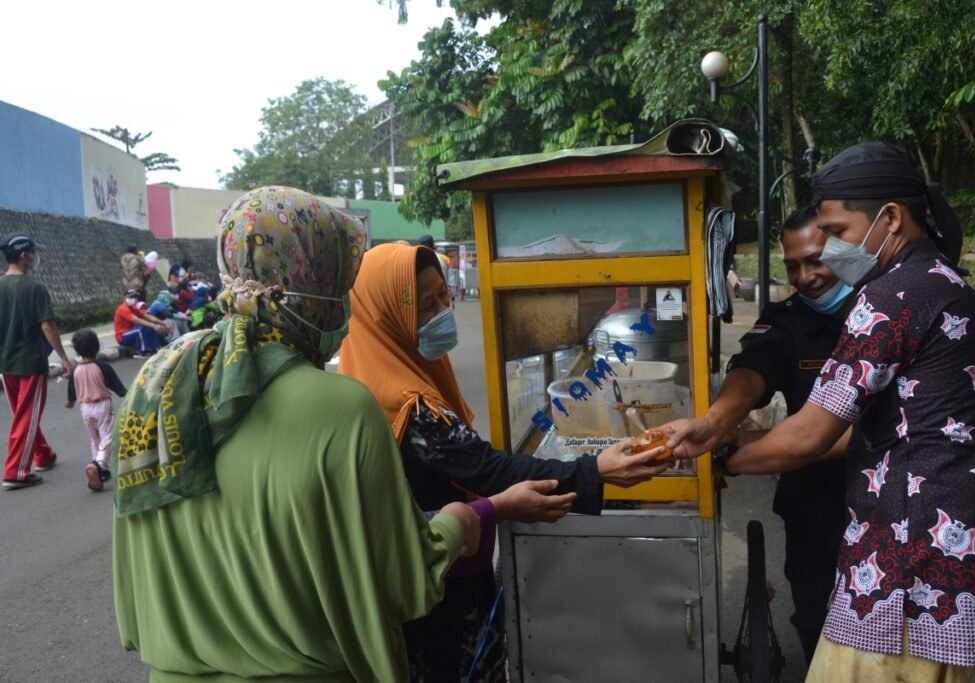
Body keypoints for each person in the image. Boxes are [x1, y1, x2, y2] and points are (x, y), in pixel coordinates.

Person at [114, 185, 521, 681]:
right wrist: (459, 522)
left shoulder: (156, 388)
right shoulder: (343, 410)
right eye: (340, 281)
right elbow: (403, 583)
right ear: (312, 283)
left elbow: (133, 600)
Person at [666, 142, 975, 681]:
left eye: (835, 232)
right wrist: (723, 431)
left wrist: (719, 456)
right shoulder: (956, 288)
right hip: (962, 556)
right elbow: (896, 428)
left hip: (909, 555)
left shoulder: (892, 294)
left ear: (891, 219)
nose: (827, 254)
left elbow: (811, 432)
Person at [339, 242, 671, 682]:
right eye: (426, 304)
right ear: (388, 315)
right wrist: (594, 471)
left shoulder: (388, 369)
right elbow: (487, 470)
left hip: (452, 564)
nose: (444, 309)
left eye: (443, 294)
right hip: (438, 587)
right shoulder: (406, 401)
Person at [658, 205, 852, 664]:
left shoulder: (883, 311)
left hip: (885, 503)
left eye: (816, 260)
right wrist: (713, 424)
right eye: (793, 266)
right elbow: (751, 372)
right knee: (816, 620)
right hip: (814, 502)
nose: (805, 276)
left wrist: (734, 455)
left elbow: (859, 431)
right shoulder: (786, 318)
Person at [0, 232, 71, 489]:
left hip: (6, 363)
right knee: (25, 416)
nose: (34, 256)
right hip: (30, 362)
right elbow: (48, 326)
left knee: (24, 414)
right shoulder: (35, 289)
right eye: (32, 251)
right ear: (24, 254)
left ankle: (42, 454)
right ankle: (15, 472)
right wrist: (64, 357)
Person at [64, 328, 127, 491]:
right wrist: (128, 396)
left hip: (85, 408)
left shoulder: (75, 370)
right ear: (97, 347)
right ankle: (98, 464)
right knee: (108, 437)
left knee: (95, 439)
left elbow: (72, 392)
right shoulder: (103, 367)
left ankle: (103, 470)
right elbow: (118, 387)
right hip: (102, 406)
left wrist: (70, 402)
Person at [113, 289, 170, 356]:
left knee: (149, 327)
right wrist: (153, 325)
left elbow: (149, 317)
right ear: (125, 298)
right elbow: (137, 320)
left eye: (135, 297)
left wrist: (165, 324)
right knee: (140, 330)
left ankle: (154, 347)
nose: (134, 299)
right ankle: (140, 352)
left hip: (131, 332)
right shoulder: (123, 308)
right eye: (131, 297)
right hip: (122, 336)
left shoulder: (133, 309)